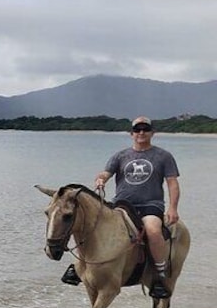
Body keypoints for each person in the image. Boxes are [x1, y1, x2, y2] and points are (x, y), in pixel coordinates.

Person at [62, 116, 180, 298]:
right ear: (131, 133)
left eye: (145, 129)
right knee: (91, 226)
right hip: (122, 205)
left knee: (153, 230)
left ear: (152, 133)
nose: (141, 132)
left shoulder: (163, 156)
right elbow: (106, 173)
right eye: (137, 129)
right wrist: (100, 179)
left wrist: (173, 208)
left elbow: (172, 183)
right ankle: (79, 267)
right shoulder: (121, 155)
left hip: (150, 205)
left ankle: (159, 275)